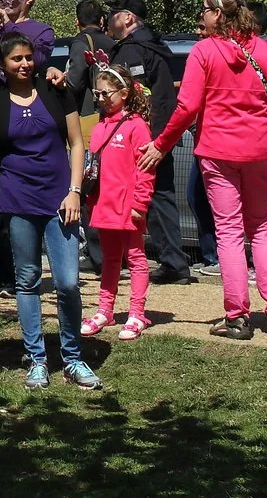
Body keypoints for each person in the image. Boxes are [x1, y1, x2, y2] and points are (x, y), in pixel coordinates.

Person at [140, 0, 267, 340]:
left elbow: (187, 107)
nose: (201, 18)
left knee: (228, 230)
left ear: (217, 15)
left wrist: (161, 144)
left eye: (204, 12)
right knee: (261, 227)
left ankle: (237, 316)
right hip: (259, 150)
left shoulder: (205, 51)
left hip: (217, 151)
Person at [0, 32, 97, 389]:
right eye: (16, 59)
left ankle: (73, 357)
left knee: (67, 282)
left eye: (28, 57)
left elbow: (77, 143)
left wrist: (75, 191)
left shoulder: (54, 90)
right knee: (27, 280)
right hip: (18, 201)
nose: (24, 64)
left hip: (60, 200)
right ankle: (37, 359)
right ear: (2, 64)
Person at [104, 0, 191, 284]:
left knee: (152, 197)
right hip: (159, 134)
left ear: (128, 18)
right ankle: (171, 260)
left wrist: (154, 141)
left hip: (144, 138)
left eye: (114, 13)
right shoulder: (156, 45)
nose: (109, 18)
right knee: (159, 195)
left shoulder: (134, 51)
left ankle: (171, 262)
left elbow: (132, 96)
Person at [81, 64, 155, 339]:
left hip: (129, 205)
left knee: (135, 257)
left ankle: (137, 313)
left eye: (105, 93)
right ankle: (105, 309)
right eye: (96, 93)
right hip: (103, 203)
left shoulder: (136, 126)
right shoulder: (99, 127)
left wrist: (140, 203)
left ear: (123, 93)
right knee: (110, 258)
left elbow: (145, 169)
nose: (100, 99)